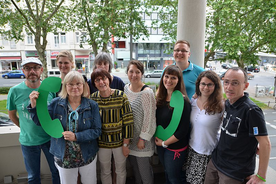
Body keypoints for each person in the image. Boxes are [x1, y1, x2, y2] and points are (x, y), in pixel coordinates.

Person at [28, 71, 101, 184]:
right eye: (70, 84)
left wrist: (76, 136)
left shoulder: (92, 105)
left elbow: (97, 131)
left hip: (87, 155)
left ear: (83, 86)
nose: (74, 87)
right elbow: (41, 122)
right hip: (64, 156)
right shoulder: (56, 103)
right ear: (65, 86)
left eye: (78, 83)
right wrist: (34, 105)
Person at [204, 67, 271, 184]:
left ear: (245, 86)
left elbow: (265, 143)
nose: (229, 87)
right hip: (216, 163)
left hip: (234, 173)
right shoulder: (228, 103)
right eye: (226, 82)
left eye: (235, 83)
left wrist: (261, 176)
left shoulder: (251, 110)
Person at [6, 57, 60, 184]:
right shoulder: (14, 91)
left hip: (50, 139)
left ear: (41, 70)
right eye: (27, 68)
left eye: (35, 68)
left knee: (57, 172)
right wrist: (25, 128)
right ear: (23, 71)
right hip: (28, 141)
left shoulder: (49, 89)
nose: (32, 71)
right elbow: (12, 115)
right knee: (33, 177)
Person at [90, 68, 134, 184]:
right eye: (97, 80)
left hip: (120, 143)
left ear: (109, 79)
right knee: (105, 171)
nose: (101, 82)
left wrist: (126, 144)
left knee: (120, 170)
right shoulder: (93, 99)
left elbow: (128, 121)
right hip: (102, 144)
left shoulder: (121, 96)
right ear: (94, 83)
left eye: (104, 78)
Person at [185, 70, 224, 184]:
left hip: (208, 153)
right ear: (198, 85)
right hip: (192, 149)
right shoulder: (193, 101)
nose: (206, 87)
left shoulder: (221, 105)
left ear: (215, 86)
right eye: (203, 84)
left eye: (210, 84)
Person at [155, 65, 191, 184]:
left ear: (178, 80)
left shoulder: (183, 101)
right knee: (167, 173)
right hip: (161, 144)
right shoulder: (160, 98)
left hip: (175, 147)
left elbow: (183, 130)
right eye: (166, 76)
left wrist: (164, 143)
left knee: (174, 178)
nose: (169, 80)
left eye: (173, 78)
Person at [124, 60, 156, 184]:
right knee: (135, 171)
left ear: (142, 74)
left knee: (145, 173)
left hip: (142, 141)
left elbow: (150, 117)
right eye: (131, 71)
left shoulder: (147, 93)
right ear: (127, 73)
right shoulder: (126, 89)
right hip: (130, 139)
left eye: (137, 72)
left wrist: (143, 138)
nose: (134, 75)